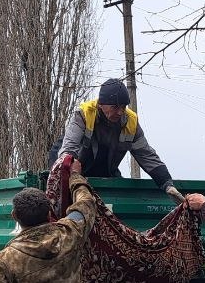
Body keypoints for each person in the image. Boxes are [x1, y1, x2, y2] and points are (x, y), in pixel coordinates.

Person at [53, 78, 182, 199]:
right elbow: (69, 149)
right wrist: (71, 170)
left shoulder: (131, 122)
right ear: (101, 104)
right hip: (75, 165)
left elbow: (147, 155)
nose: (120, 112)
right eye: (115, 107)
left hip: (106, 170)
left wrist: (167, 183)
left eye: (123, 107)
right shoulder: (83, 114)